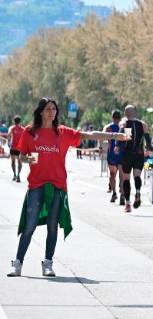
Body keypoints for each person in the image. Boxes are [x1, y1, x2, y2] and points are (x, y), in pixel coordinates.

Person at [7, 98, 129, 277]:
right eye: (48, 109)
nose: (52, 112)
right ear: (41, 112)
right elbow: (18, 154)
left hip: (58, 185)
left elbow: (89, 135)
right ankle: (17, 263)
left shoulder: (62, 132)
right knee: (30, 225)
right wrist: (30, 159)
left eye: (54, 109)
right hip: (36, 185)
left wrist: (115, 136)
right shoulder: (30, 132)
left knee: (52, 226)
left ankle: (48, 263)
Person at [119, 105, 150, 212]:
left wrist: (117, 146)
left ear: (125, 113)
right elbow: (147, 138)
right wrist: (149, 148)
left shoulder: (125, 124)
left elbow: (127, 138)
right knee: (137, 175)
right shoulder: (142, 124)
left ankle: (128, 204)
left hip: (128, 154)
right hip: (139, 154)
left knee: (126, 178)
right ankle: (137, 192)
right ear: (135, 113)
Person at [103, 110, 123, 203]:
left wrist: (100, 148)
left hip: (111, 153)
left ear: (112, 117)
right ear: (120, 117)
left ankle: (114, 193)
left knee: (112, 174)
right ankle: (122, 195)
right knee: (122, 175)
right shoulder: (124, 126)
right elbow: (129, 138)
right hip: (122, 153)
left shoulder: (108, 127)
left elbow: (102, 138)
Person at [8, 116, 25, 183]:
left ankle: (15, 175)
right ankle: (18, 175)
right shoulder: (23, 129)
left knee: (13, 162)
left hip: (13, 148)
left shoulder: (12, 128)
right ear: (20, 121)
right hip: (20, 148)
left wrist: (9, 143)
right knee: (19, 162)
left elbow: (8, 136)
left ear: (14, 121)